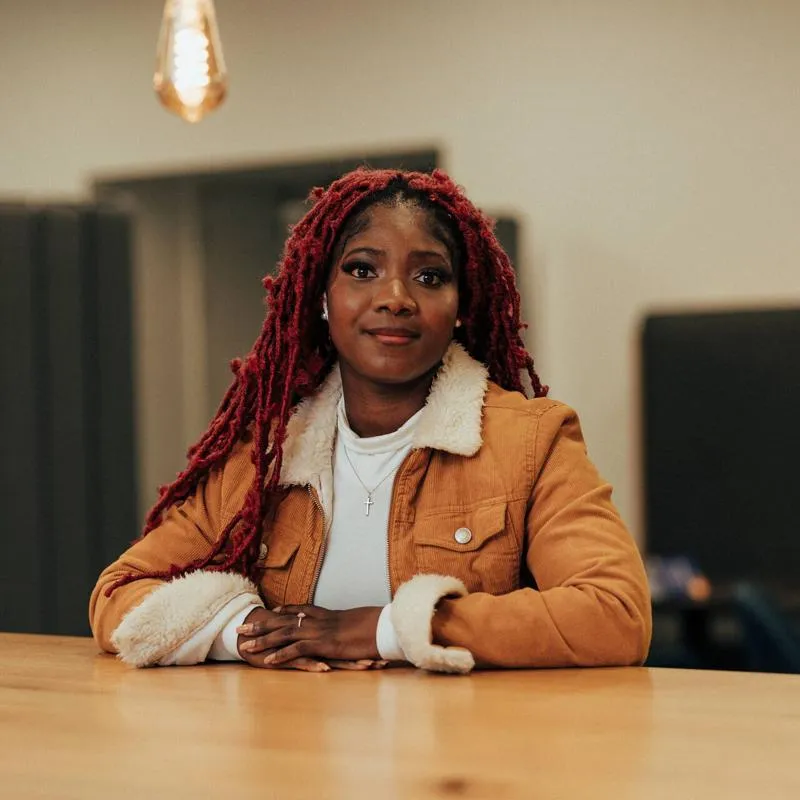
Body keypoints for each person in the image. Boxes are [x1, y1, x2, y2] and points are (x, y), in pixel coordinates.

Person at [90, 167, 651, 674]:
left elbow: (615, 613)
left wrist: (381, 630)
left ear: (461, 308)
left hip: (466, 768)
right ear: (322, 298)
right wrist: (245, 635)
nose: (396, 297)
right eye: (362, 269)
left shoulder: (532, 440)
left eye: (430, 277)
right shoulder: (263, 457)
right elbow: (119, 593)